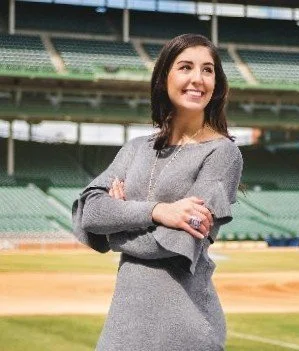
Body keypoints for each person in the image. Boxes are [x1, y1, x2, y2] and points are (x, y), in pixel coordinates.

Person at [72, 33, 243, 351]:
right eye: (186, 67)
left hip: (184, 333)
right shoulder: (136, 148)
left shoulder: (223, 154)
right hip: (122, 331)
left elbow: (177, 243)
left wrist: (115, 230)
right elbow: (88, 212)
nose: (198, 79)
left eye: (208, 70)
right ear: (164, 77)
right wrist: (157, 211)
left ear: (217, 84)